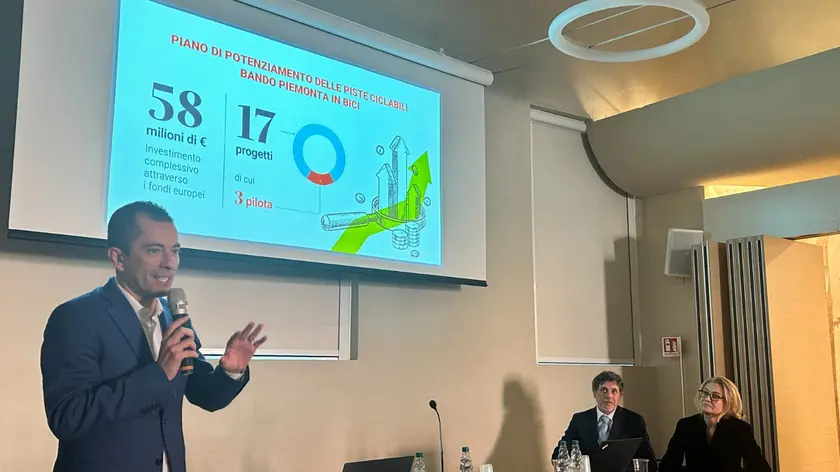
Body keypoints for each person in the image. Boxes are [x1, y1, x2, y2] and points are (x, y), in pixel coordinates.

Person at [40, 201, 268, 472]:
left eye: (175, 251)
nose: (170, 263)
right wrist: (158, 374)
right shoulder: (77, 317)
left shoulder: (174, 317)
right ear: (118, 258)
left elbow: (204, 395)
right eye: (154, 250)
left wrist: (230, 372)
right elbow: (68, 418)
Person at [659, 376, 771, 472]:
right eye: (705, 393)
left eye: (715, 396)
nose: (707, 399)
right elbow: (668, 466)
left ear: (728, 402)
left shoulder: (739, 429)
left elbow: (760, 467)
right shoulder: (686, 425)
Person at [552, 371, 657, 471]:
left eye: (614, 391)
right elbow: (558, 455)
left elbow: (649, 462)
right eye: (604, 390)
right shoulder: (580, 420)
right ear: (594, 393)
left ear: (620, 395)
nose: (609, 396)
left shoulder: (634, 421)